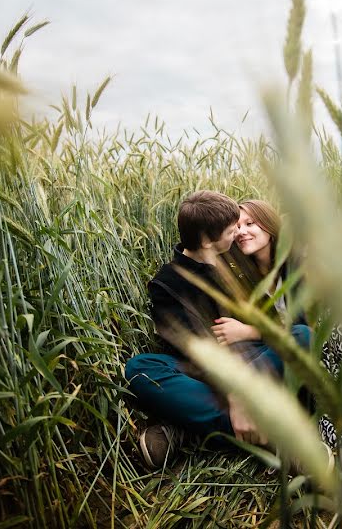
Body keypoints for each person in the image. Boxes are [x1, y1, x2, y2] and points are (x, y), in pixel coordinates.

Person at [124, 191, 312, 468]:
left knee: (302, 337)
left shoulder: (233, 258)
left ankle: (186, 430)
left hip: (253, 359)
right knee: (140, 367)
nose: (238, 233)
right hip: (205, 371)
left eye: (243, 226)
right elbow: (194, 351)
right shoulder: (167, 285)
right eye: (232, 229)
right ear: (207, 241)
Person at [214, 199, 342, 507]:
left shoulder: (299, 264)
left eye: (250, 223)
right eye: (236, 226)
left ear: (270, 226)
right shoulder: (243, 279)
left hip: (330, 357)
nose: (242, 231)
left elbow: (312, 331)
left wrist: (252, 331)